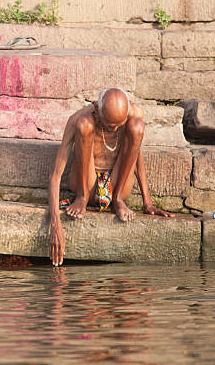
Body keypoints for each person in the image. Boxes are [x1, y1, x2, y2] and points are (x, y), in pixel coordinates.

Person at [48, 87, 174, 266]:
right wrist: (55, 226)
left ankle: (117, 200)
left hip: (117, 184)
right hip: (86, 183)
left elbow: (136, 156)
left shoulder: (134, 114)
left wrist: (148, 203)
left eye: (118, 126)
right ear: (97, 110)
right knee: (85, 125)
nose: (113, 130)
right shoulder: (77, 118)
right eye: (108, 126)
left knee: (137, 126)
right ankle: (82, 197)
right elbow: (55, 175)